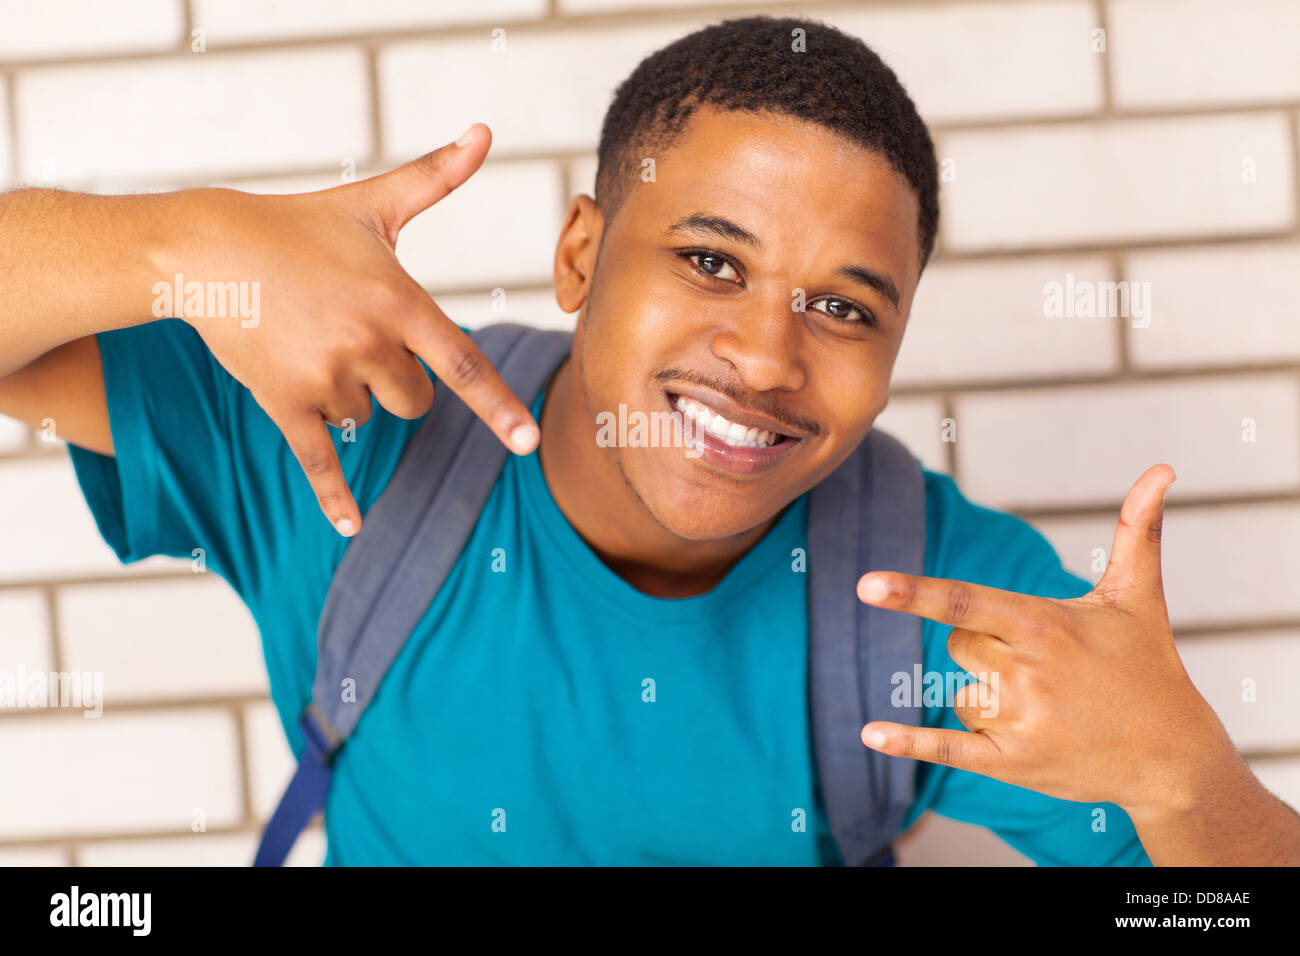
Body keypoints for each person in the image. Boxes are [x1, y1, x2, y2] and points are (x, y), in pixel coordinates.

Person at [1, 15, 1295, 866]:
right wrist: (185, 247)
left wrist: (1192, 789)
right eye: (710, 260)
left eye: (844, 307)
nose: (771, 359)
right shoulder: (355, 428)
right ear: (581, 254)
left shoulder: (936, 602)